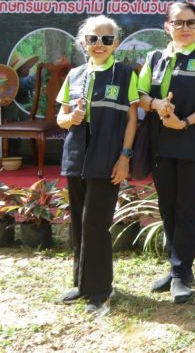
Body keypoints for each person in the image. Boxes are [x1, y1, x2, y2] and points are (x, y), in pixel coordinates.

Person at [139, 2, 195, 304]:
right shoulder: (155, 58)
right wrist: (157, 105)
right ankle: (178, 268)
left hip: (193, 142)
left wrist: (183, 122)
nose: (184, 28)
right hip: (161, 144)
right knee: (168, 207)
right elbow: (141, 94)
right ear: (167, 26)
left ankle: (181, 272)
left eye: (191, 23)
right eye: (178, 22)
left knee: (188, 208)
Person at [55, 16, 139, 315]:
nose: (99, 44)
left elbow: (131, 119)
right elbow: (61, 118)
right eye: (92, 39)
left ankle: (101, 289)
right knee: (78, 221)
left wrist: (125, 157)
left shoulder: (126, 75)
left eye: (106, 39)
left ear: (116, 43)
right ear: (83, 43)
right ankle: (81, 283)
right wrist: (70, 119)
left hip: (107, 160)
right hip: (76, 157)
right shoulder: (74, 75)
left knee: (96, 223)